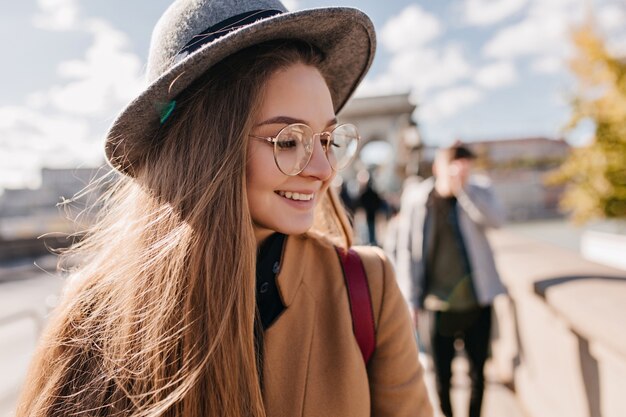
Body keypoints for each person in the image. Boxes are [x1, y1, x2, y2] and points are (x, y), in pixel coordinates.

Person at [16, 1, 433, 417]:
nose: (325, 171)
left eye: (327, 140)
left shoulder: (368, 288)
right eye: (289, 141)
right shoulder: (91, 321)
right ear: (205, 150)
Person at [395, 143, 506, 417]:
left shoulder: (478, 190)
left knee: (478, 371)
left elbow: (496, 222)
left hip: (476, 301)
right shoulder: (418, 198)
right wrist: (409, 299)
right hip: (436, 304)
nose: (459, 171)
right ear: (437, 168)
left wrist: (463, 190)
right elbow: (406, 249)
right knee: (441, 375)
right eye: (453, 165)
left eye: (465, 166)